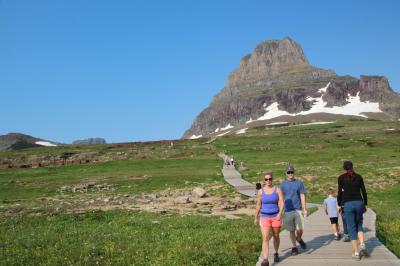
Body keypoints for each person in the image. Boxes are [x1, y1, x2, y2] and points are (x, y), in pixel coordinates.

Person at [337, 161, 369, 261]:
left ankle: (356, 253)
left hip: (348, 204)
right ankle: (362, 243)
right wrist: (365, 204)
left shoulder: (341, 178)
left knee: (351, 228)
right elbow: (363, 191)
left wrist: (339, 204)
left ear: (344, 168)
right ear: (352, 167)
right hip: (359, 202)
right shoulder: (359, 177)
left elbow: (340, 193)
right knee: (359, 224)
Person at [254, 172, 284, 266]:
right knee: (265, 238)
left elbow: (282, 202)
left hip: (276, 216)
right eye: (266, 179)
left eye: (270, 179)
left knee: (276, 236)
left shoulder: (277, 190)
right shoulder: (260, 192)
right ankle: (265, 259)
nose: (268, 181)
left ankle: (275, 253)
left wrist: (280, 214)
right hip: (264, 216)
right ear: (264, 181)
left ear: (272, 179)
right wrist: (255, 217)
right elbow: (258, 205)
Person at [280, 165, 307, 255]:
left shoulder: (299, 183)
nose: (290, 174)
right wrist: (280, 210)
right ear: (286, 173)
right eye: (288, 172)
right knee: (291, 230)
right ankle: (294, 247)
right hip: (287, 210)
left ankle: (299, 238)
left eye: (291, 172)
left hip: (298, 209)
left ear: (294, 173)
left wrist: (304, 208)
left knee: (300, 229)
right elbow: (281, 198)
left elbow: (302, 195)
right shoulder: (283, 184)